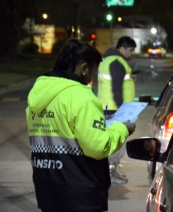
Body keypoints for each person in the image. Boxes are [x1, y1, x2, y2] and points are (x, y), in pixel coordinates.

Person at [26, 39, 136, 212]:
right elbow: (98, 146)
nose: (92, 78)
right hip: (79, 192)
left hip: (47, 189)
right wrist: (122, 129)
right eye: (93, 72)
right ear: (83, 68)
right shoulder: (81, 97)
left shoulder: (37, 98)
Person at [97, 36, 137, 184]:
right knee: (117, 143)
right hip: (115, 109)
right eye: (131, 50)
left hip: (107, 107)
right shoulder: (117, 62)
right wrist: (123, 111)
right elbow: (116, 89)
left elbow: (116, 81)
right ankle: (109, 173)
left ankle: (107, 173)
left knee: (110, 141)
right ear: (123, 48)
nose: (132, 54)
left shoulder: (108, 60)